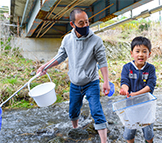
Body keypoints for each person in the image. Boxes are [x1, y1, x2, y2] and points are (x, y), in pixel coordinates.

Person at [37, 9, 110, 143]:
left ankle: (104, 141)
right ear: (72, 24)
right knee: (73, 111)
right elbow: (60, 57)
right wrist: (44, 67)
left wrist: (106, 82)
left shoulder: (96, 40)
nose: (85, 26)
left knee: (96, 110)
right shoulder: (67, 39)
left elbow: (102, 62)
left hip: (91, 82)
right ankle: (75, 131)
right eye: (81, 23)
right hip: (75, 84)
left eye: (87, 22)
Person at [119, 36, 156, 143]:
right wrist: (124, 90)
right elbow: (124, 82)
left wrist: (135, 94)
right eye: (137, 51)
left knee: (148, 135)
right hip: (131, 106)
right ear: (132, 53)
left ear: (149, 54)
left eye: (144, 51)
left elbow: (150, 86)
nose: (141, 54)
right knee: (129, 134)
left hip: (147, 107)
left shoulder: (151, 68)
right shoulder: (127, 67)